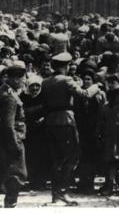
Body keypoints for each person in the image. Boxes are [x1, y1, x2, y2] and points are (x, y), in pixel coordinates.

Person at [41, 52, 101, 206]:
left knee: (55, 159)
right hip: (65, 121)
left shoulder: (46, 81)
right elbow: (84, 94)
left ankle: (55, 195)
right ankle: (63, 192)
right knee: (70, 158)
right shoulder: (66, 80)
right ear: (66, 66)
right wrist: (96, 86)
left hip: (50, 121)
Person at [0, 61, 28, 208]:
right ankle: (10, 203)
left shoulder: (4, 90)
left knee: (0, 170)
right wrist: (15, 144)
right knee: (17, 173)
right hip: (11, 138)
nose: (23, 81)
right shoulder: (9, 96)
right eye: (22, 78)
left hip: (3, 138)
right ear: (15, 78)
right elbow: (9, 124)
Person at [96, 86, 119, 196]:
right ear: (117, 96)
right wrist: (99, 136)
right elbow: (100, 124)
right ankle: (109, 185)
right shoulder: (106, 108)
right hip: (110, 139)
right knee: (110, 162)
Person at [20, 74, 49, 190]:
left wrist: (43, 119)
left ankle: (41, 181)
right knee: (30, 156)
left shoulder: (45, 97)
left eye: (37, 86)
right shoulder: (24, 97)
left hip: (43, 130)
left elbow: (49, 110)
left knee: (43, 156)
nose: (35, 88)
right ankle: (32, 180)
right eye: (32, 86)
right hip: (30, 130)